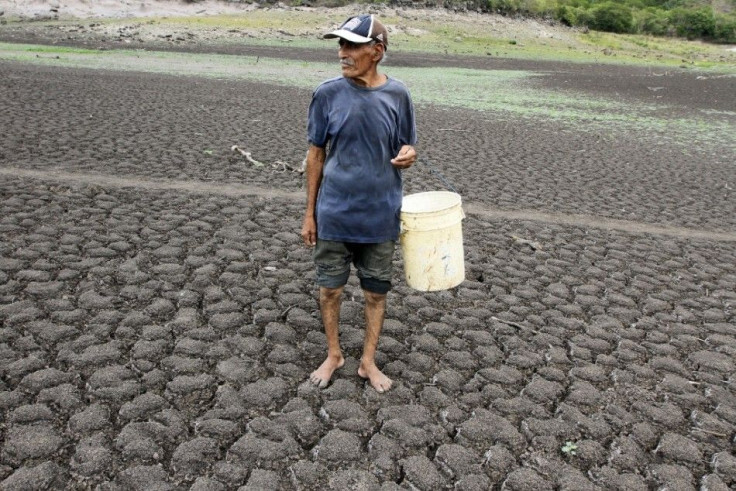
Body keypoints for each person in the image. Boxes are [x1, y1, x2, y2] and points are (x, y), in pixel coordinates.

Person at [301, 14, 417, 393]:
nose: (342, 53)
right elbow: (315, 154)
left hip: (381, 213)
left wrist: (409, 153)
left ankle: (368, 361)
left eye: (351, 45)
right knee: (329, 289)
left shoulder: (398, 95)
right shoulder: (327, 93)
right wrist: (310, 213)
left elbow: (405, 144)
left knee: (375, 292)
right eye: (341, 45)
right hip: (334, 211)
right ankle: (334, 354)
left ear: (377, 52)